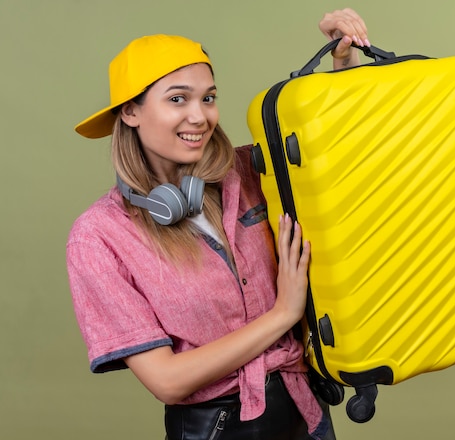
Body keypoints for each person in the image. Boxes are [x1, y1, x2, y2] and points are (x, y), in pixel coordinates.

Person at [66, 8, 370, 440]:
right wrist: (283, 313)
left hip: (308, 415)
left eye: (208, 97)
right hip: (217, 429)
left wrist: (343, 63)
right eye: (177, 99)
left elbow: (341, 161)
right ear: (130, 111)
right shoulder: (98, 236)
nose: (200, 116)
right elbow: (167, 380)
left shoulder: (251, 171)